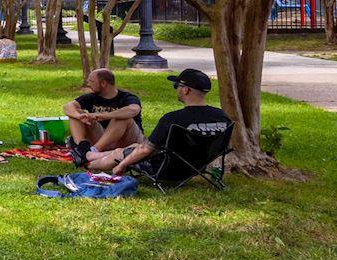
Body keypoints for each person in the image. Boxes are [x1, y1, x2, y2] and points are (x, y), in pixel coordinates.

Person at [89, 68, 231, 179]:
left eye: (177, 85)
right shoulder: (223, 117)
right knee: (133, 147)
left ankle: (88, 163)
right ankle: (90, 155)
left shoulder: (173, 119)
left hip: (165, 168)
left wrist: (122, 165)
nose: (176, 89)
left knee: (121, 153)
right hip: (196, 167)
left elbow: (145, 150)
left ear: (186, 90)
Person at [64, 68, 143, 166]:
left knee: (121, 118)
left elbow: (133, 110)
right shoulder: (92, 97)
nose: (89, 84)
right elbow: (68, 106)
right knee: (75, 113)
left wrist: (104, 116)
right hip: (104, 139)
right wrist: (79, 116)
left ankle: (93, 151)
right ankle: (82, 148)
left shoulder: (127, 97)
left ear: (103, 83)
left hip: (129, 140)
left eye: (92, 81)